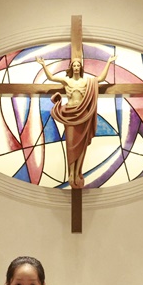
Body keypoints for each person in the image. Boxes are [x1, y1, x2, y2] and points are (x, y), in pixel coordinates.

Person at [36, 54, 116, 187]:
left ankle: (78, 172)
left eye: (78, 65)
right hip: (70, 114)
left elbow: (101, 78)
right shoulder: (67, 81)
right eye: (74, 65)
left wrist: (108, 62)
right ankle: (72, 173)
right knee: (71, 143)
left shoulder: (87, 82)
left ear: (81, 68)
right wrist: (44, 65)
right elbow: (51, 77)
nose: (77, 67)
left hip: (83, 114)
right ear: (71, 67)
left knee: (82, 144)